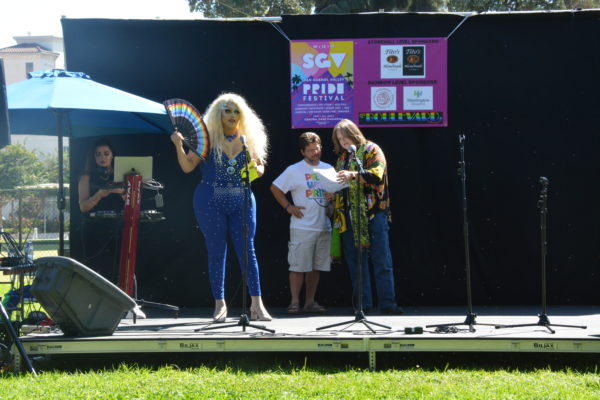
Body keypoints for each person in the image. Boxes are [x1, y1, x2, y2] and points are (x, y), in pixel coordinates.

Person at [171, 93, 271, 322]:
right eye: (227, 110)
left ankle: (257, 304)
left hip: (242, 199)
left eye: (236, 111)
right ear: (218, 113)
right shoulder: (205, 139)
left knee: (248, 250)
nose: (232, 115)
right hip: (210, 200)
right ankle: (220, 305)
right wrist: (178, 145)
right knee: (217, 251)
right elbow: (187, 167)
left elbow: (259, 167)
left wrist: (258, 168)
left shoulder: (248, 139)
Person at [331, 119, 403, 315]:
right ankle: (364, 305)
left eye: (345, 136)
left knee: (381, 260)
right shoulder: (342, 159)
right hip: (349, 216)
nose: (343, 141)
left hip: (374, 213)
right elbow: (341, 182)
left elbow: (377, 175)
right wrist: (332, 191)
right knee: (356, 264)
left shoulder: (371, 149)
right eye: (339, 138)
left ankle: (388, 304)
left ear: (354, 134)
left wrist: (352, 175)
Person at [271, 132, 334, 315]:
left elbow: (334, 195)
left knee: (316, 267)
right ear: (302, 152)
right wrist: (288, 207)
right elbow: (275, 188)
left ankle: (310, 302)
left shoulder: (329, 168)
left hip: (323, 226)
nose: (315, 153)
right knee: (298, 267)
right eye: (310, 150)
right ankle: (294, 302)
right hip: (302, 226)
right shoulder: (294, 170)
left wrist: (332, 198)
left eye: (317, 149)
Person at [77, 137, 125, 284]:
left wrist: (120, 192)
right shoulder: (86, 177)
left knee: (119, 268)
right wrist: (99, 194)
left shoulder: (121, 175)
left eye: (106, 153)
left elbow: (133, 203)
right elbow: (83, 207)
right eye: (98, 154)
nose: (102, 157)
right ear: (93, 157)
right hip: (94, 229)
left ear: (112, 155)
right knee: (95, 270)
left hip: (118, 228)